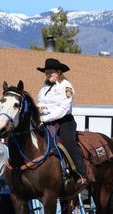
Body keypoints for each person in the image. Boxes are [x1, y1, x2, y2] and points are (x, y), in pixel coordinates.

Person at [36, 58, 88, 193]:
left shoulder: (66, 86)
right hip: (46, 120)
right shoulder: (44, 87)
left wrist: (45, 116)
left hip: (65, 121)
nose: (48, 74)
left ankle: (81, 173)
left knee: (68, 141)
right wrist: (41, 110)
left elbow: (63, 109)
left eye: (50, 72)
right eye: (46, 72)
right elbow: (40, 103)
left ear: (59, 72)